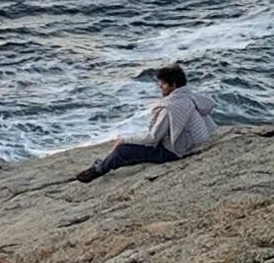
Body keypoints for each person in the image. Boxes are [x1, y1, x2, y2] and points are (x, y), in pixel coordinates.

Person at [76, 64, 216, 183]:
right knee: (134, 150)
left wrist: (124, 140)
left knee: (122, 150)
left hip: (175, 151)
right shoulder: (190, 96)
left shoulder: (170, 107)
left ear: (173, 85)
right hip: (191, 143)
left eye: (163, 84)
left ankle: (99, 169)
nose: (160, 87)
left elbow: (153, 138)